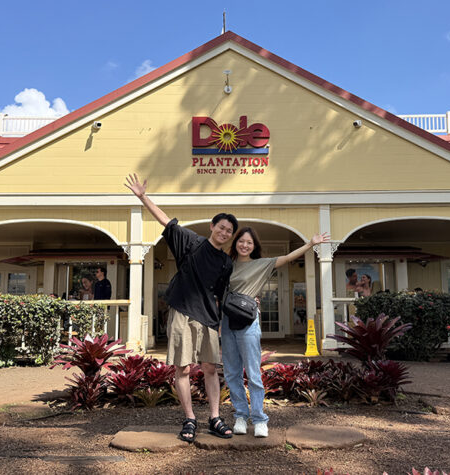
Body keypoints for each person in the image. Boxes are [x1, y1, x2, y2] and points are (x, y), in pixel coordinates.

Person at [125, 173, 236, 442]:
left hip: (208, 318)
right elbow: (166, 220)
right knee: (183, 368)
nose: (224, 233)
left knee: (210, 368)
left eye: (229, 231)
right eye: (221, 227)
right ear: (212, 226)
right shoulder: (191, 242)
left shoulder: (226, 262)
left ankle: (215, 418)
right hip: (183, 312)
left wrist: (221, 322)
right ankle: (189, 419)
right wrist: (143, 197)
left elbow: (220, 295)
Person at [224, 226, 329, 438]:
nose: (244, 245)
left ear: (254, 246)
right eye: (241, 241)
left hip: (248, 321)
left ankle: (259, 419)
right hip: (227, 321)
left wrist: (310, 244)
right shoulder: (226, 265)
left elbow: (288, 257)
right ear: (235, 243)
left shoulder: (261, 264)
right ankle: (241, 416)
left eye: (249, 242)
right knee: (232, 373)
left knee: (253, 372)